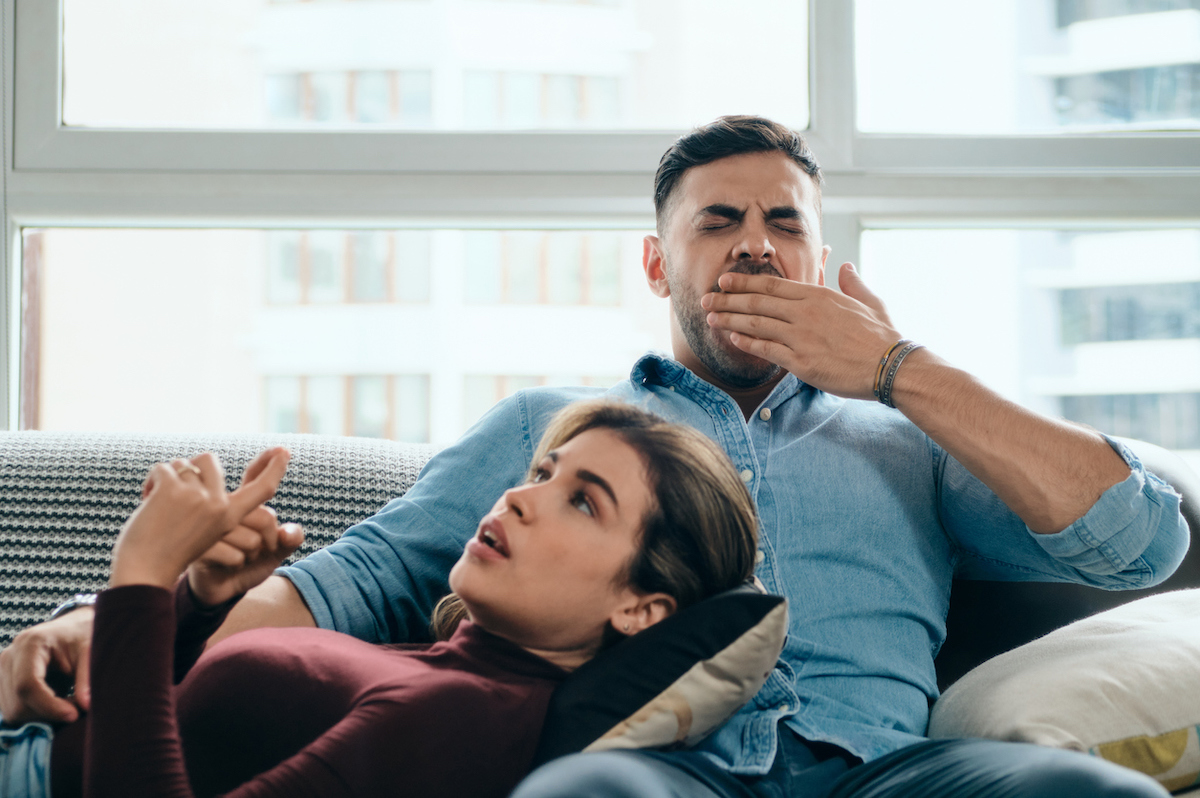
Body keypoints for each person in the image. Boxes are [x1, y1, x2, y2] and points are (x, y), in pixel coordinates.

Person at [1, 115, 1189, 798]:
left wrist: (898, 368)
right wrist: (107, 631)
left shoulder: (908, 432)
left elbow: (1139, 543)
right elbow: (350, 582)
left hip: (887, 772)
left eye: (785, 223)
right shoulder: (554, 430)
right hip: (662, 769)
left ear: (824, 262)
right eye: (719, 221)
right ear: (657, 262)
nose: (756, 247)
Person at [2, 400, 759, 798]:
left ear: (641, 609)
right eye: (541, 473)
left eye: (583, 502)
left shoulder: (464, 718)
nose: (520, 498)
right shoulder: (456, 667)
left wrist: (139, 575)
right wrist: (197, 600)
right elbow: (189, 733)